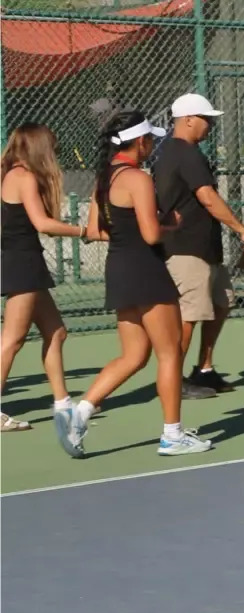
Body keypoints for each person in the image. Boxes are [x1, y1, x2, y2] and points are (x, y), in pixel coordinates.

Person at [57, 114, 210, 458]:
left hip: (120, 270)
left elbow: (97, 231)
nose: (154, 145)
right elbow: (151, 234)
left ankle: (79, 414)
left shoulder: (103, 178)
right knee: (169, 353)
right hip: (147, 270)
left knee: (134, 356)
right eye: (151, 140)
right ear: (139, 142)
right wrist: (168, 224)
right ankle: (172, 435)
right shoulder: (138, 179)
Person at [152, 93, 244, 397]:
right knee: (191, 315)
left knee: (222, 303)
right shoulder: (184, 152)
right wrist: (242, 230)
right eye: (206, 119)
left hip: (204, 247)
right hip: (186, 249)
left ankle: (204, 370)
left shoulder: (181, 152)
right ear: (188, 120)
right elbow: (207, 197)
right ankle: (174, 381)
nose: (210, 125)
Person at [2, 123, 85, 431]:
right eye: (52, 147)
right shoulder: (22, 177)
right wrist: (85, 231)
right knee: (12, 340)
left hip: (27, 262)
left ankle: (63, 403)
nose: (55, 153)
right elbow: (43, 224)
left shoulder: (15, 175)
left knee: (56, 331)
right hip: (22, 264)